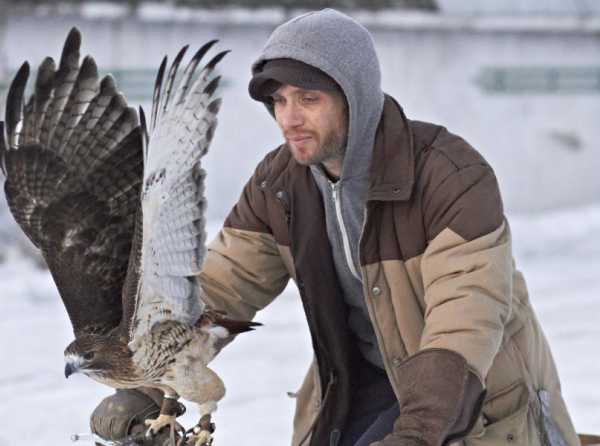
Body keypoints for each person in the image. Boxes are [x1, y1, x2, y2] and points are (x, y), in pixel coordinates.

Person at [92, 8, 580, 446]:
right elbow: (218, 291)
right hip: (357, 383)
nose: (290, 119)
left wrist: (415, 436)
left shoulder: (449, 176)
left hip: (469, 398)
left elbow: (464, 322)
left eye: (309, 98)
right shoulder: (278, 184)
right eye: (279, 102)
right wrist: (143, 383)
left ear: (355, 98)